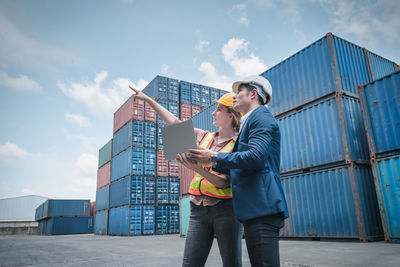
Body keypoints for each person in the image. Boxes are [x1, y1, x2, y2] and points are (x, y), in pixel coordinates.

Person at [129, 86, 243, 267]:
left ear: (231, 115)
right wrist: (149, 100)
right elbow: (174, 121)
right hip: (197, 209)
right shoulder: (204, 136)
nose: (213, 113)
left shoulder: (237, 147)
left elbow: (224, 183)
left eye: (218, 110)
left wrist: (198, 169)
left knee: (232, 263)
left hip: (226, 211)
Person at [187, 76, 289, 267]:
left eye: (239, 92)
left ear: (253, 94)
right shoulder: (250, 122)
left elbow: (256, 157)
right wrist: (206, 161)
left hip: (262, 207)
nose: (234, 97)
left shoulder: (261, 117)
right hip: (254, 209)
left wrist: (214, 158)